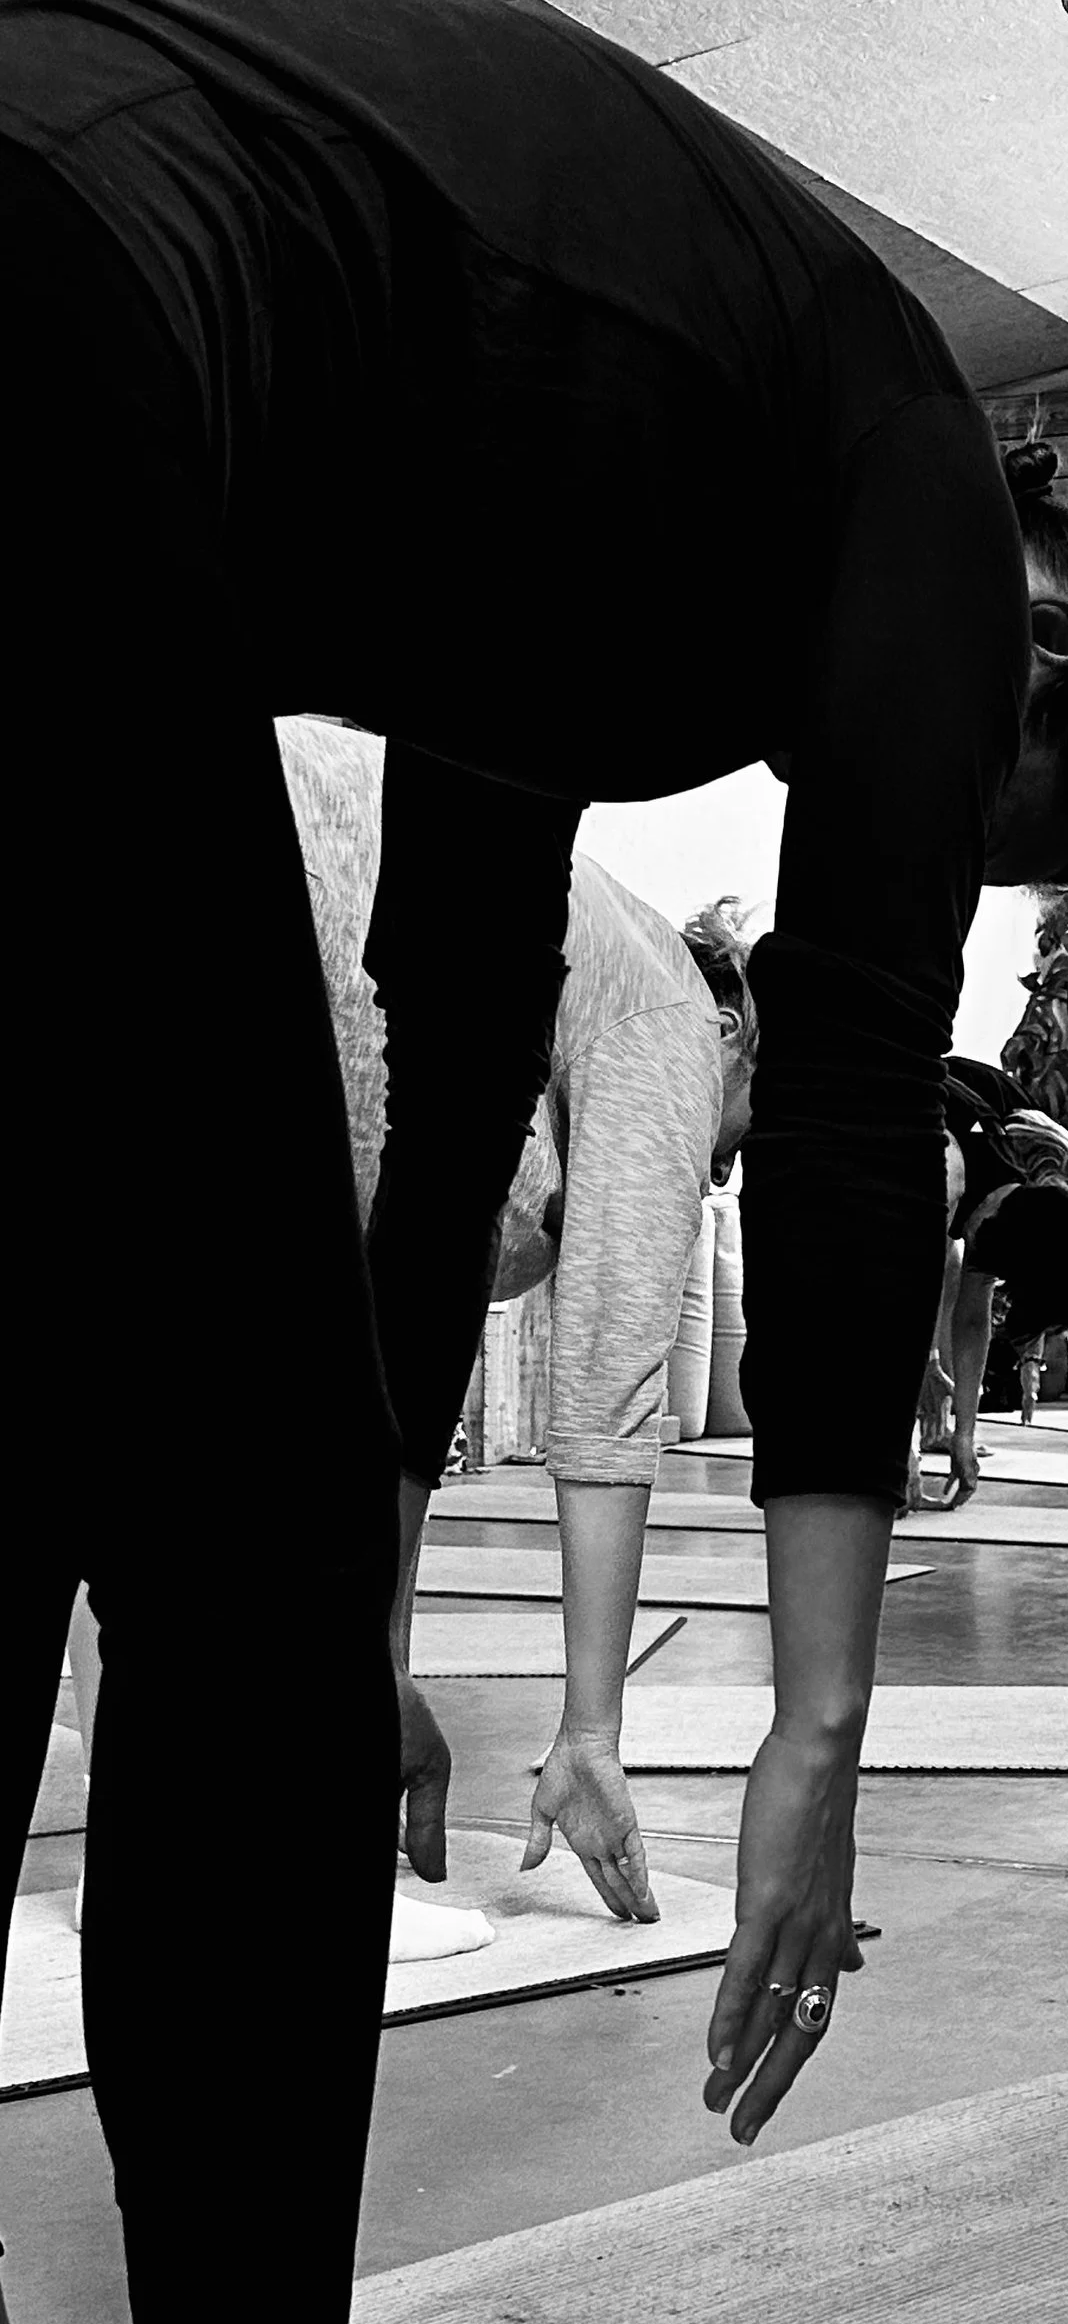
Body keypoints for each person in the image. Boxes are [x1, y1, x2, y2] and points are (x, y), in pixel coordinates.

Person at [0, 0, 1068, 2324]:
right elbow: (860, 1091)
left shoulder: (582, 434)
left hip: (44, 268)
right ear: (1041, 673)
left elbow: (450, 1021)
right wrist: (813, 1732)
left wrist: (357, 1572)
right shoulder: (911, 476)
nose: (891, 815)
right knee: (231, 1555)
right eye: (974, 812)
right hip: (39, 318)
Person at [283, 716, 754, 1921]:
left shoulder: (587, 937)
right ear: (740, 1042)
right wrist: (591, 1732)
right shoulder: (673, 1012)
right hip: (304, 868)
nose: (713, 1173)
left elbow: (403, 1326)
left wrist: (376, 1665)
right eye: (734, 1140)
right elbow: (606, 1381)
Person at [917, 1057, 1068, 1503]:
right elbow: (904, 1293)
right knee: (938, 1273)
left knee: (954, 1275)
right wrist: (926, 1367)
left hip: (975, 1117)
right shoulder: (942, 1171)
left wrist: (964, 1433)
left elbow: (975, 1318)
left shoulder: (1059, 1204)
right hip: (873, 1116)